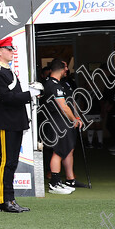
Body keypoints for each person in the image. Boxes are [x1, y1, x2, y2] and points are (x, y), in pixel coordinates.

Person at [0, 36, 41, 213]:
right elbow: (7, 98)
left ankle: (10, 199)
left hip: (15, 122)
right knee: (6, 162)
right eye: (9, 49)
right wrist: (29, 94)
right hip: (6, 123)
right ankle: (5, 201)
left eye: (12, 49)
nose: (12, 52)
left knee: (12, 162)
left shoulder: (8, 72)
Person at [41, 59, 80, 195]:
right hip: (57, 121)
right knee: (58, 152)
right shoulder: (53, 85)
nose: (67, 71)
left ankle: (59, 182)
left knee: (62, 150)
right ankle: (54, 184)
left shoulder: (53, 83)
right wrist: (74, 119)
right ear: (62, 70)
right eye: (66, 69)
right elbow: (63, 106)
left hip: (57, 121)